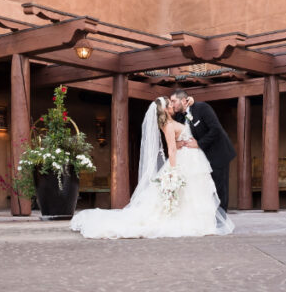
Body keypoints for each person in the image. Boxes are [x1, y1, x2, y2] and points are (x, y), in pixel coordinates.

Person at [70, 95, 233, 239]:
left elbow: (178, 138)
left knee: (197, 192)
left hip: (193, 158)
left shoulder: (172, 121)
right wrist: (174, 171)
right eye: (170, 104)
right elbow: (171, 148)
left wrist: (184, 138)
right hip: (185, 161)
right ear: (166, 109)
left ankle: (203, 221)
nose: (173, 106)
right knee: (189, 193)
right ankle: (194, 222)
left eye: (173, 102)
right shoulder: (168, 125)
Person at [170, 90, 236, 212]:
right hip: (199, 158)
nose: (172, 104)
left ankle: (221, 221)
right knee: (205, 188)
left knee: (219, 187)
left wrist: (199, 144)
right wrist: (178, 143)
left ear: (183, 101)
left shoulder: (202, 108)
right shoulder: (179, 116)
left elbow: (216, 129)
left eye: (174, 101)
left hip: (218, 153)